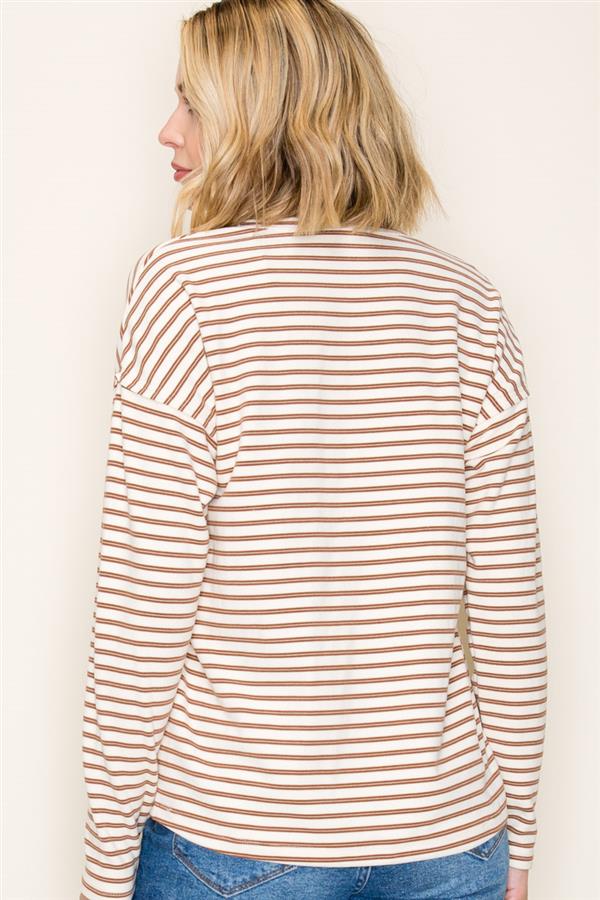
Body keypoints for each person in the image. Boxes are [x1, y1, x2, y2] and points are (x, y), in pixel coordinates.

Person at [79, 1, 547, 899]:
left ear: (262, 118)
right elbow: (509, 611)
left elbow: (143, 614)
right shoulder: (468, 303)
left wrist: (104, 874)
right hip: (451, 844)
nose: (168, 129)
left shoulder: (182, 290)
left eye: (193, 102)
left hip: (236, 843)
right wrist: (517, 846)